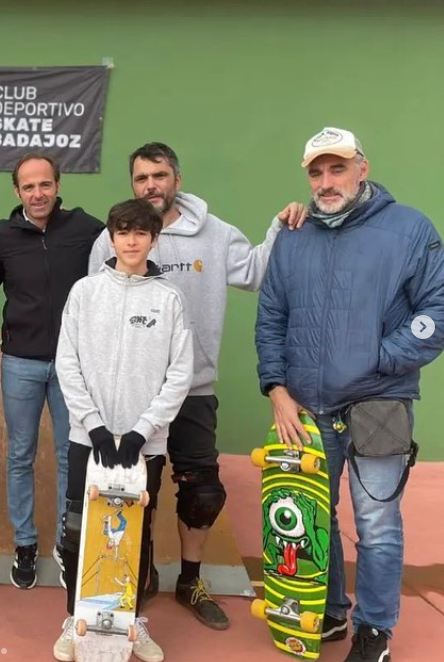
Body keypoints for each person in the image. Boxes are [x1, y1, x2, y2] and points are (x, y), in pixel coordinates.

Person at [87, 143, 305, 628]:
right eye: (141, 178)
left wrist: (279, 227)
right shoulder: (112, 239)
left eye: (159, 176)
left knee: (202, 492)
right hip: (132, 394)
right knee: (135, 490)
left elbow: (256, 271)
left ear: (177, 179)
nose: (151, 186)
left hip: (194, 391)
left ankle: (189, 580)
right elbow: (97, 311)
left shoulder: (215, 233)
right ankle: (135, 579)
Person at [256, 127, 444, 662]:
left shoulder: (410, 229)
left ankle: (375, 629)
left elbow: (438, 309)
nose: (326, 180)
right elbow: (272, 317)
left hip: (378, 405)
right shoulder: (294, 234)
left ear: (362, 167)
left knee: (377, 525)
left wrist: (380, 359)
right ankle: (331, 610)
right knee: (317, 516)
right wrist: (276, 387)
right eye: (316, 171)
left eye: (337, 168)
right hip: (306, 407)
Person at [54, 198, 193, 662]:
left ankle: (131, 623)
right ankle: (76, 622)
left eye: (141, 233)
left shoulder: (168, 298)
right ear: (111, 237)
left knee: (136, 535)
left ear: (154, 238)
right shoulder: (85, 292)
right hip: (87, 439)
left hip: (143, 445)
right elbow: (67, 362)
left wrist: (141, 431)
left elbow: (180, 373)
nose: (131, 241)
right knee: (79, 530)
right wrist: (94, 426)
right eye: (123, 232)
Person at [0, 153, 104, 589]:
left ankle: (65, 542)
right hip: (20, 362)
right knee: (20, 454)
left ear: (58, 185)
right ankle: (25, 544)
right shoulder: (3, 235)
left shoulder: (88, 230)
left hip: (73, 365)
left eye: (45, 185)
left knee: (68, 456)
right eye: (29, 187)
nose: (38, 194)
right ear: (17, 192)